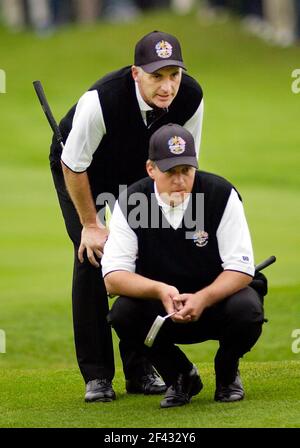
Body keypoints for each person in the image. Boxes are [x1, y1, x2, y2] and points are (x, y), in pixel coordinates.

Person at [49, 31, 204, 402]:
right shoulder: (101, 101)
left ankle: (140, 370)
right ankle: (98, 376)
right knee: (95, 256)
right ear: (137, 73)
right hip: (84, 171)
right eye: (157, 76)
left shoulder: (192, 97)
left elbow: (183, 166)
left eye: (174, 75)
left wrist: (173, 221)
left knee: (145, 256)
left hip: (141, 172)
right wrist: (91, 224)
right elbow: (74, 165)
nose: (167, 87)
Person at [102, 124, 267, 408]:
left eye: (186, 170)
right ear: (151, 169)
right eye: (170, 172)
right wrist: (161, 290)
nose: (179, 180)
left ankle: (227, 371)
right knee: (123, 314)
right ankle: (180, 375)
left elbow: (241, 269)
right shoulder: (130, 202)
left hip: (216, 304)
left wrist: (203, 298)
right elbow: (113, 278)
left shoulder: (221, 194)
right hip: (161, 311)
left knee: (247, 309)